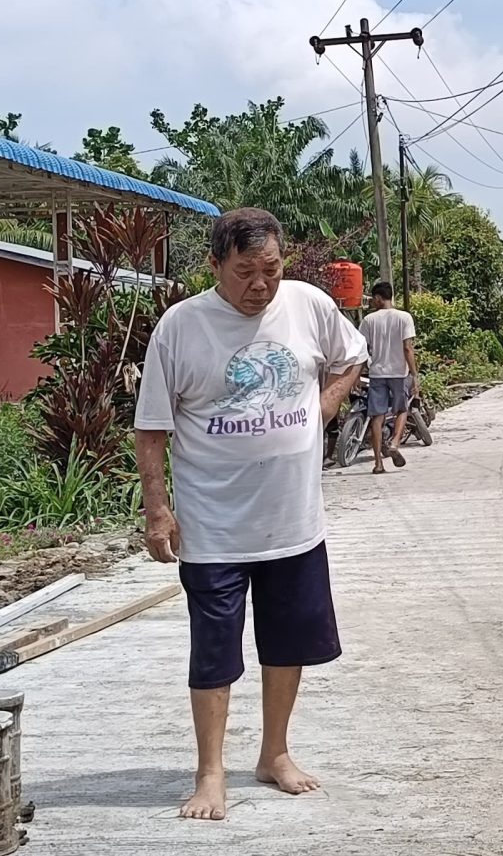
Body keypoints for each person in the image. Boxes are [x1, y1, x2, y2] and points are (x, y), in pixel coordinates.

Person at [134, 208, 369, 821]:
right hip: (214, 527)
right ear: (214, 266)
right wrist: (158, 511)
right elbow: (152, 427)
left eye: (270, 269)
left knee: (286, 640)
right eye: (244, 272)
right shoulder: (181, 327)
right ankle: (210, 773)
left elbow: (352, 356)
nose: (260, 285)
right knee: (213, 650)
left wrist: (323, 406)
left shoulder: (309, 305)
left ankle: (274, 754)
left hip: (294, 519)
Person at [361, 281, 418, 474]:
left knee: (377, 417)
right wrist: (414, 375)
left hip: (377, 374)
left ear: (378, 298)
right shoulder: (404, 318)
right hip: (399, 374)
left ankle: (378, 463)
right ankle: (394, 443)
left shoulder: (369, 320)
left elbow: (361, 349)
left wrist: (358, 372)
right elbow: (408, 348)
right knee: (402, 409)